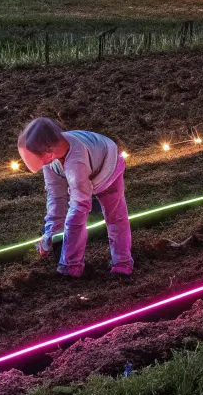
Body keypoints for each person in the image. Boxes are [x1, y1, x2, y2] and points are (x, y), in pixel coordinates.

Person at [17, 118, 133, 277]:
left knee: (115, 217)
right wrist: (50, 233)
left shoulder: (76, 161)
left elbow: (79, 208)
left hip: (109, 165)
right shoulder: (50, 158)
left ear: (48, 151)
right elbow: (55, 197)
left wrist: (69, 265)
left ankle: (122, 264)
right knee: (72, 207)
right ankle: (71, 262)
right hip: (86, 166)